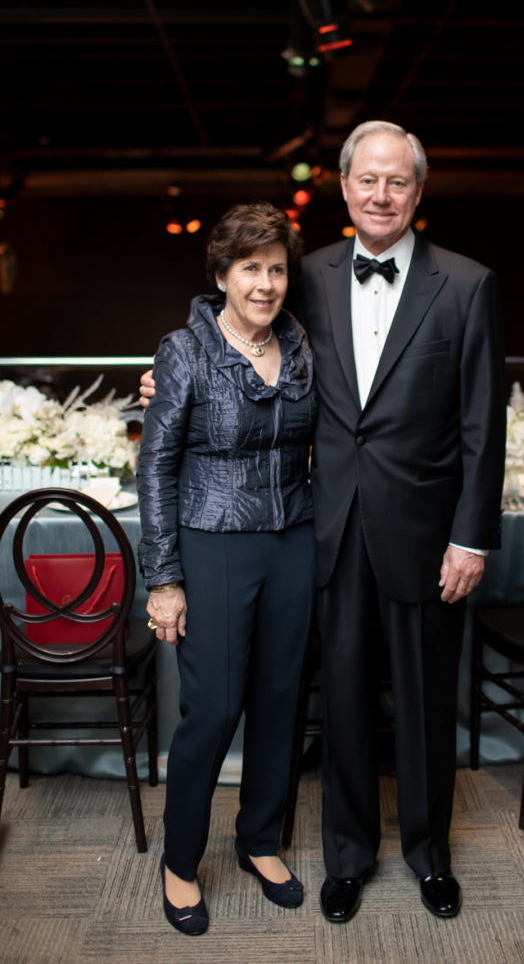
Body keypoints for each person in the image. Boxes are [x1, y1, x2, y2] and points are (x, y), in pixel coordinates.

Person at [140, 121, 506, 924]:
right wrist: (166, 377)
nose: (381, 195)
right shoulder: (306, 275)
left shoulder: (469, 285)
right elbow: (231, 315)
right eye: (366, 180)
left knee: (417, 702)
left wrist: (473, 534)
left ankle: (428, 854)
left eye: (397, 182)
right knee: (336, 701)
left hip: (414, 530)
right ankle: (346, 857)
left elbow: (483, 422)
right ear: (343, 188)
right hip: (327, 531)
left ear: (418, 191)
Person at [136, 201, 316, 936]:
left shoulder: (303, 347)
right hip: (211, 540)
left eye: (276, 269)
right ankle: (181, 863)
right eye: (251, 269)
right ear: (222, 275)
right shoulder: (184, 351)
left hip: (293, 540)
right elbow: (156, 466)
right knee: (213, 709)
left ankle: (259, 841)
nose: (266, 284)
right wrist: (164, 578)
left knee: (280, 701)